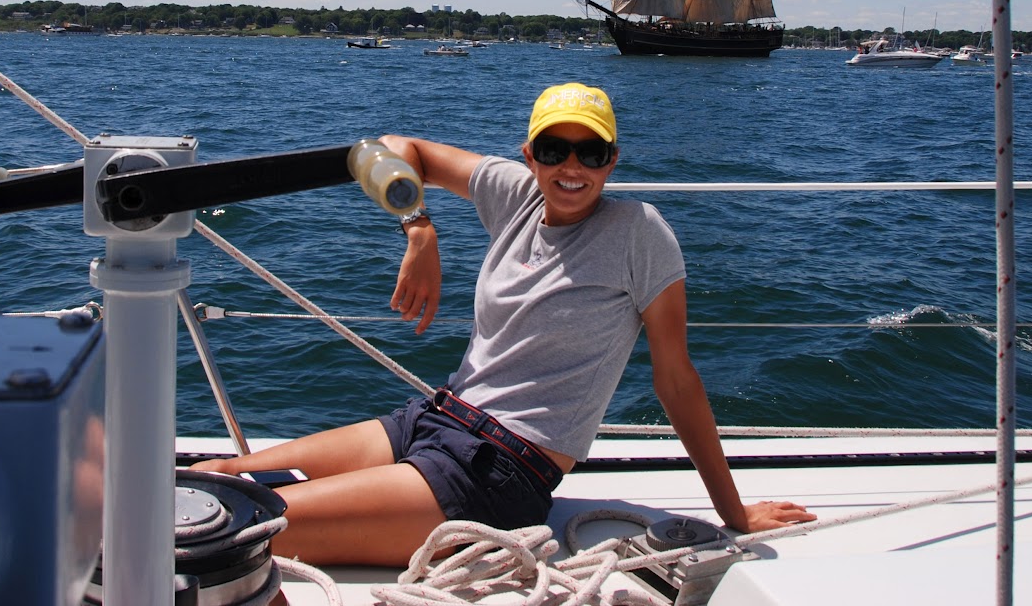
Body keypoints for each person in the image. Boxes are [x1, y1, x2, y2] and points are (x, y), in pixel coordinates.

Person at [192, 82, 815, 565]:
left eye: (590, 152)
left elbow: (677, 381)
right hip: (435, 419)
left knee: (241, 530)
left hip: (499, 472)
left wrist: (733, 515)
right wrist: (419, 228)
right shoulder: (516, 193)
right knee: (220, 477)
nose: (572, 167)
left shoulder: (639, 234)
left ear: (612, 159)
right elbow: (389, 147)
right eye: (553, 150)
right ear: (530, 155)